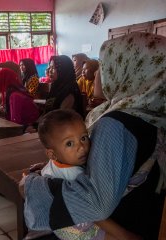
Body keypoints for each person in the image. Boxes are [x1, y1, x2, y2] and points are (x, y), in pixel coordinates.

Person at [20, 32, 166, 240]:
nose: (97, 74)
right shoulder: (153, 115)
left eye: (103, 67)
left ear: (126, 71)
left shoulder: (116, 124)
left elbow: (95, 203)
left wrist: (31, 184)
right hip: (140, 222)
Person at [26, 109, 140, 240]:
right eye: (69, 143)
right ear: (52, 153)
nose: (81, 147)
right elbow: (93, 211)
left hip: (59, 225)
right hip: (76, 228)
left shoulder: (52, 163)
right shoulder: (75, 173)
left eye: (84, 138)